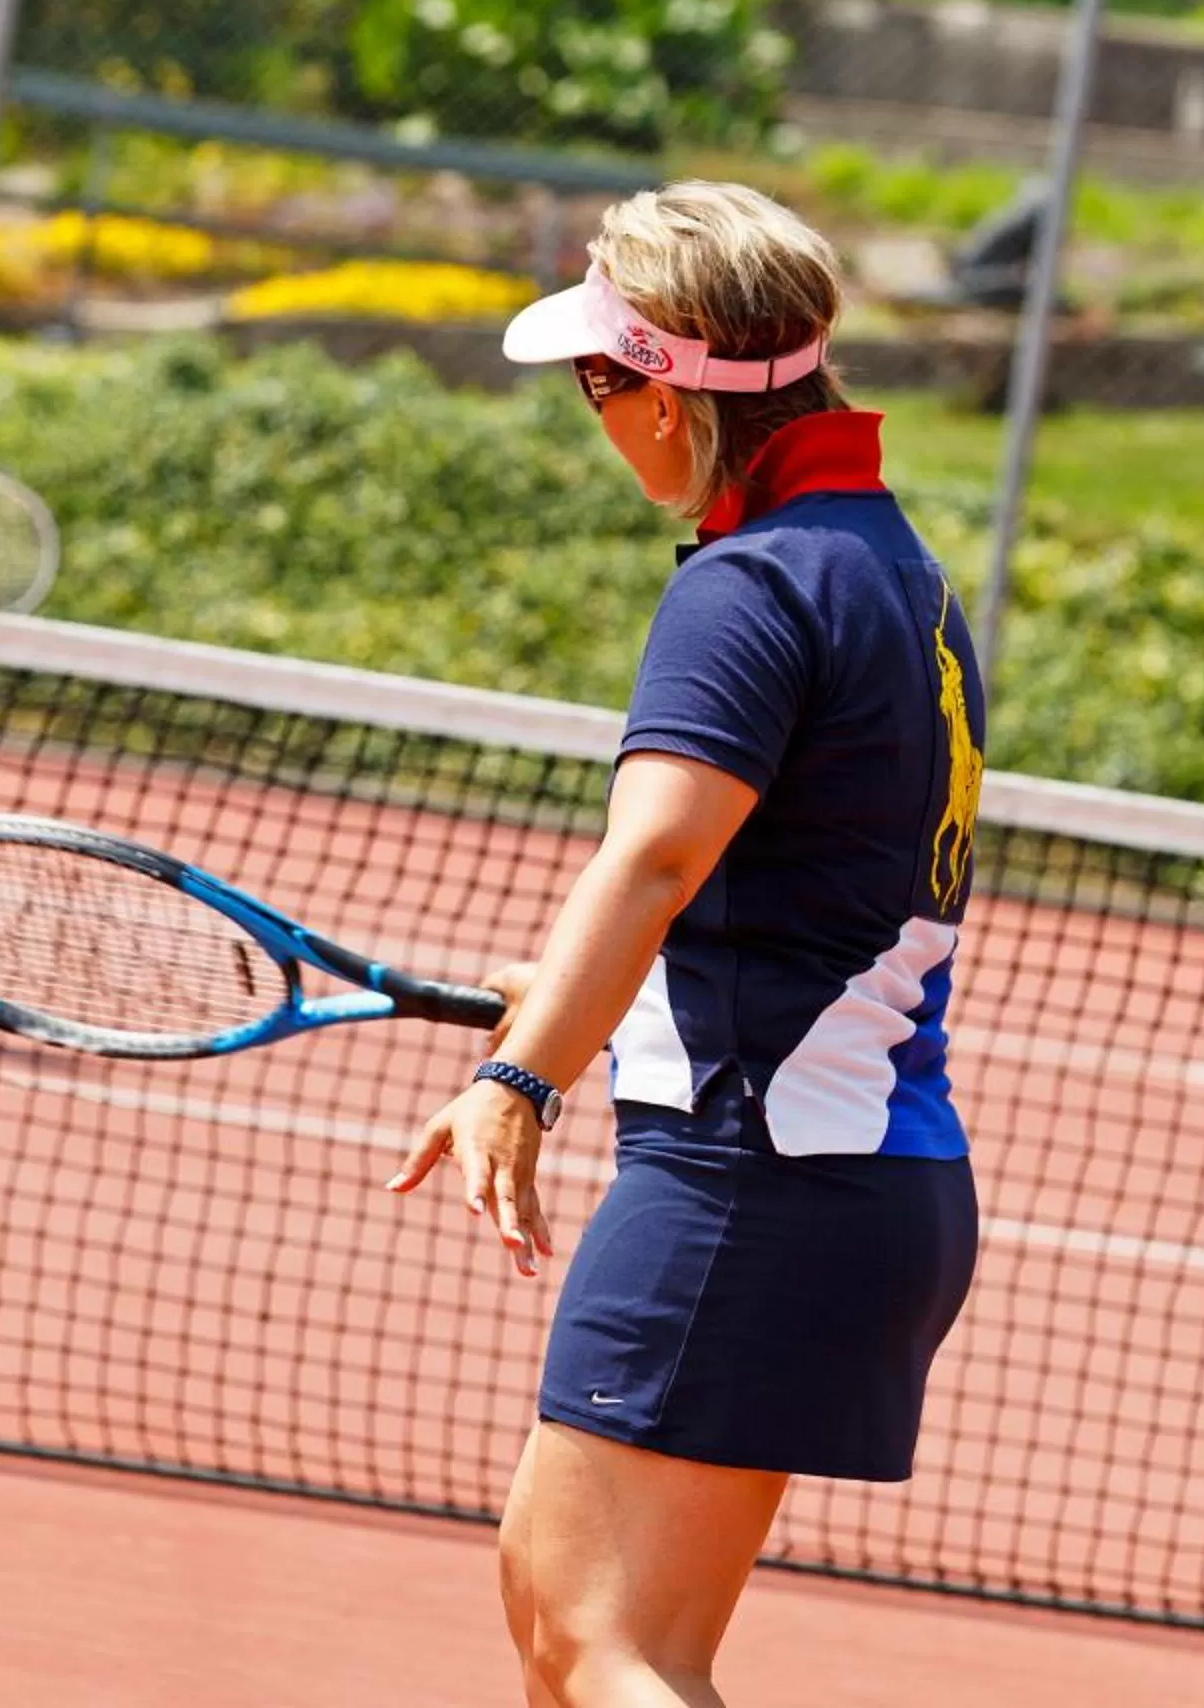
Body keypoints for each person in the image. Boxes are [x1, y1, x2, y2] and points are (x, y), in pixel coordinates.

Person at [385, 182, 985, 1708]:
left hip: (750, 1179)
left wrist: (522, 1080)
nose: (596, 417)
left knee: (604, 1649)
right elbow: (808, 891)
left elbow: (658, 854)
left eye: (597, 380)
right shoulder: (888, 568)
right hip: (848, 1171)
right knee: (568, 1627)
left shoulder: (750, 585)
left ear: (666, 392)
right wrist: (605, 1007)